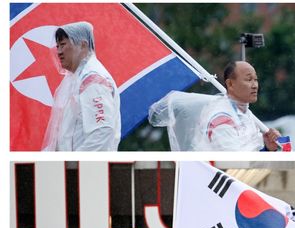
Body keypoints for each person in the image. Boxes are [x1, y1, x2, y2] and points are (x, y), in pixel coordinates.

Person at [148, 61, 282, 152]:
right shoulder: (220, 119)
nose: (255, 85)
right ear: (230, 84)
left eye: (256, 79)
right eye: (248, 79)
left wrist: (267, 147)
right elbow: (234, 161)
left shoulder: (245, 114)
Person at [43, 22, 120, 151]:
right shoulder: (76, 80)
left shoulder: (93, 80)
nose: (59, 52)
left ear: (83, 45)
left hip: (87, 169)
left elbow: (101, 133)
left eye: (63, 45)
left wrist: (76, 166)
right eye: (57, 46)